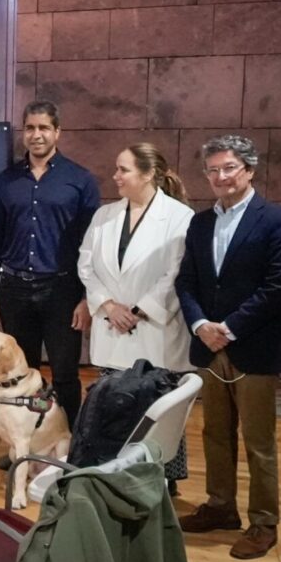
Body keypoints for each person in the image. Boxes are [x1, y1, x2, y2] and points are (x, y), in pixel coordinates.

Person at [175, 135, 281, 560]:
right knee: (214, 433)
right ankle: (220, 507)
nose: (219, 176)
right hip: (209, 347)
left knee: (258, 441)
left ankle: (264, 523)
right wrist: (198, 324)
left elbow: (278, 287)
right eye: (212, 169)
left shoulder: (278, 220)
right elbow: (187, 282)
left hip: (254, 347)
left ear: (249, 170)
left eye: (228, 167)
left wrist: (226, 329)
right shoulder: (200, 222)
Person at [77, 143, 194, 490]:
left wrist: (139, 310)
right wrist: (109, 306)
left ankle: (162, 484)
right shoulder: (104, 216)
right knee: (112, 407)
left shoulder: (179, 216)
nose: (115, 176)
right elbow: (86, 265)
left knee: (157, 410)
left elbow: (177, 274)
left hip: (154, 331)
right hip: (112, 327)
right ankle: (111, 478)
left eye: (123, 170)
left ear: (147, 174)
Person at [0, 100, 99, 438]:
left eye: (44, 128)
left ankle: (71, 444)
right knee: (21, 375)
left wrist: (86, 297)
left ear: (57, 132)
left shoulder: (80, 181)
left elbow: (93, 247)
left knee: (64, 374)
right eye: (30, 128)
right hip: (14, 289)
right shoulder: (8, 180)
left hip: (62, 291)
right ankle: (26, 445)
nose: (36, 135)